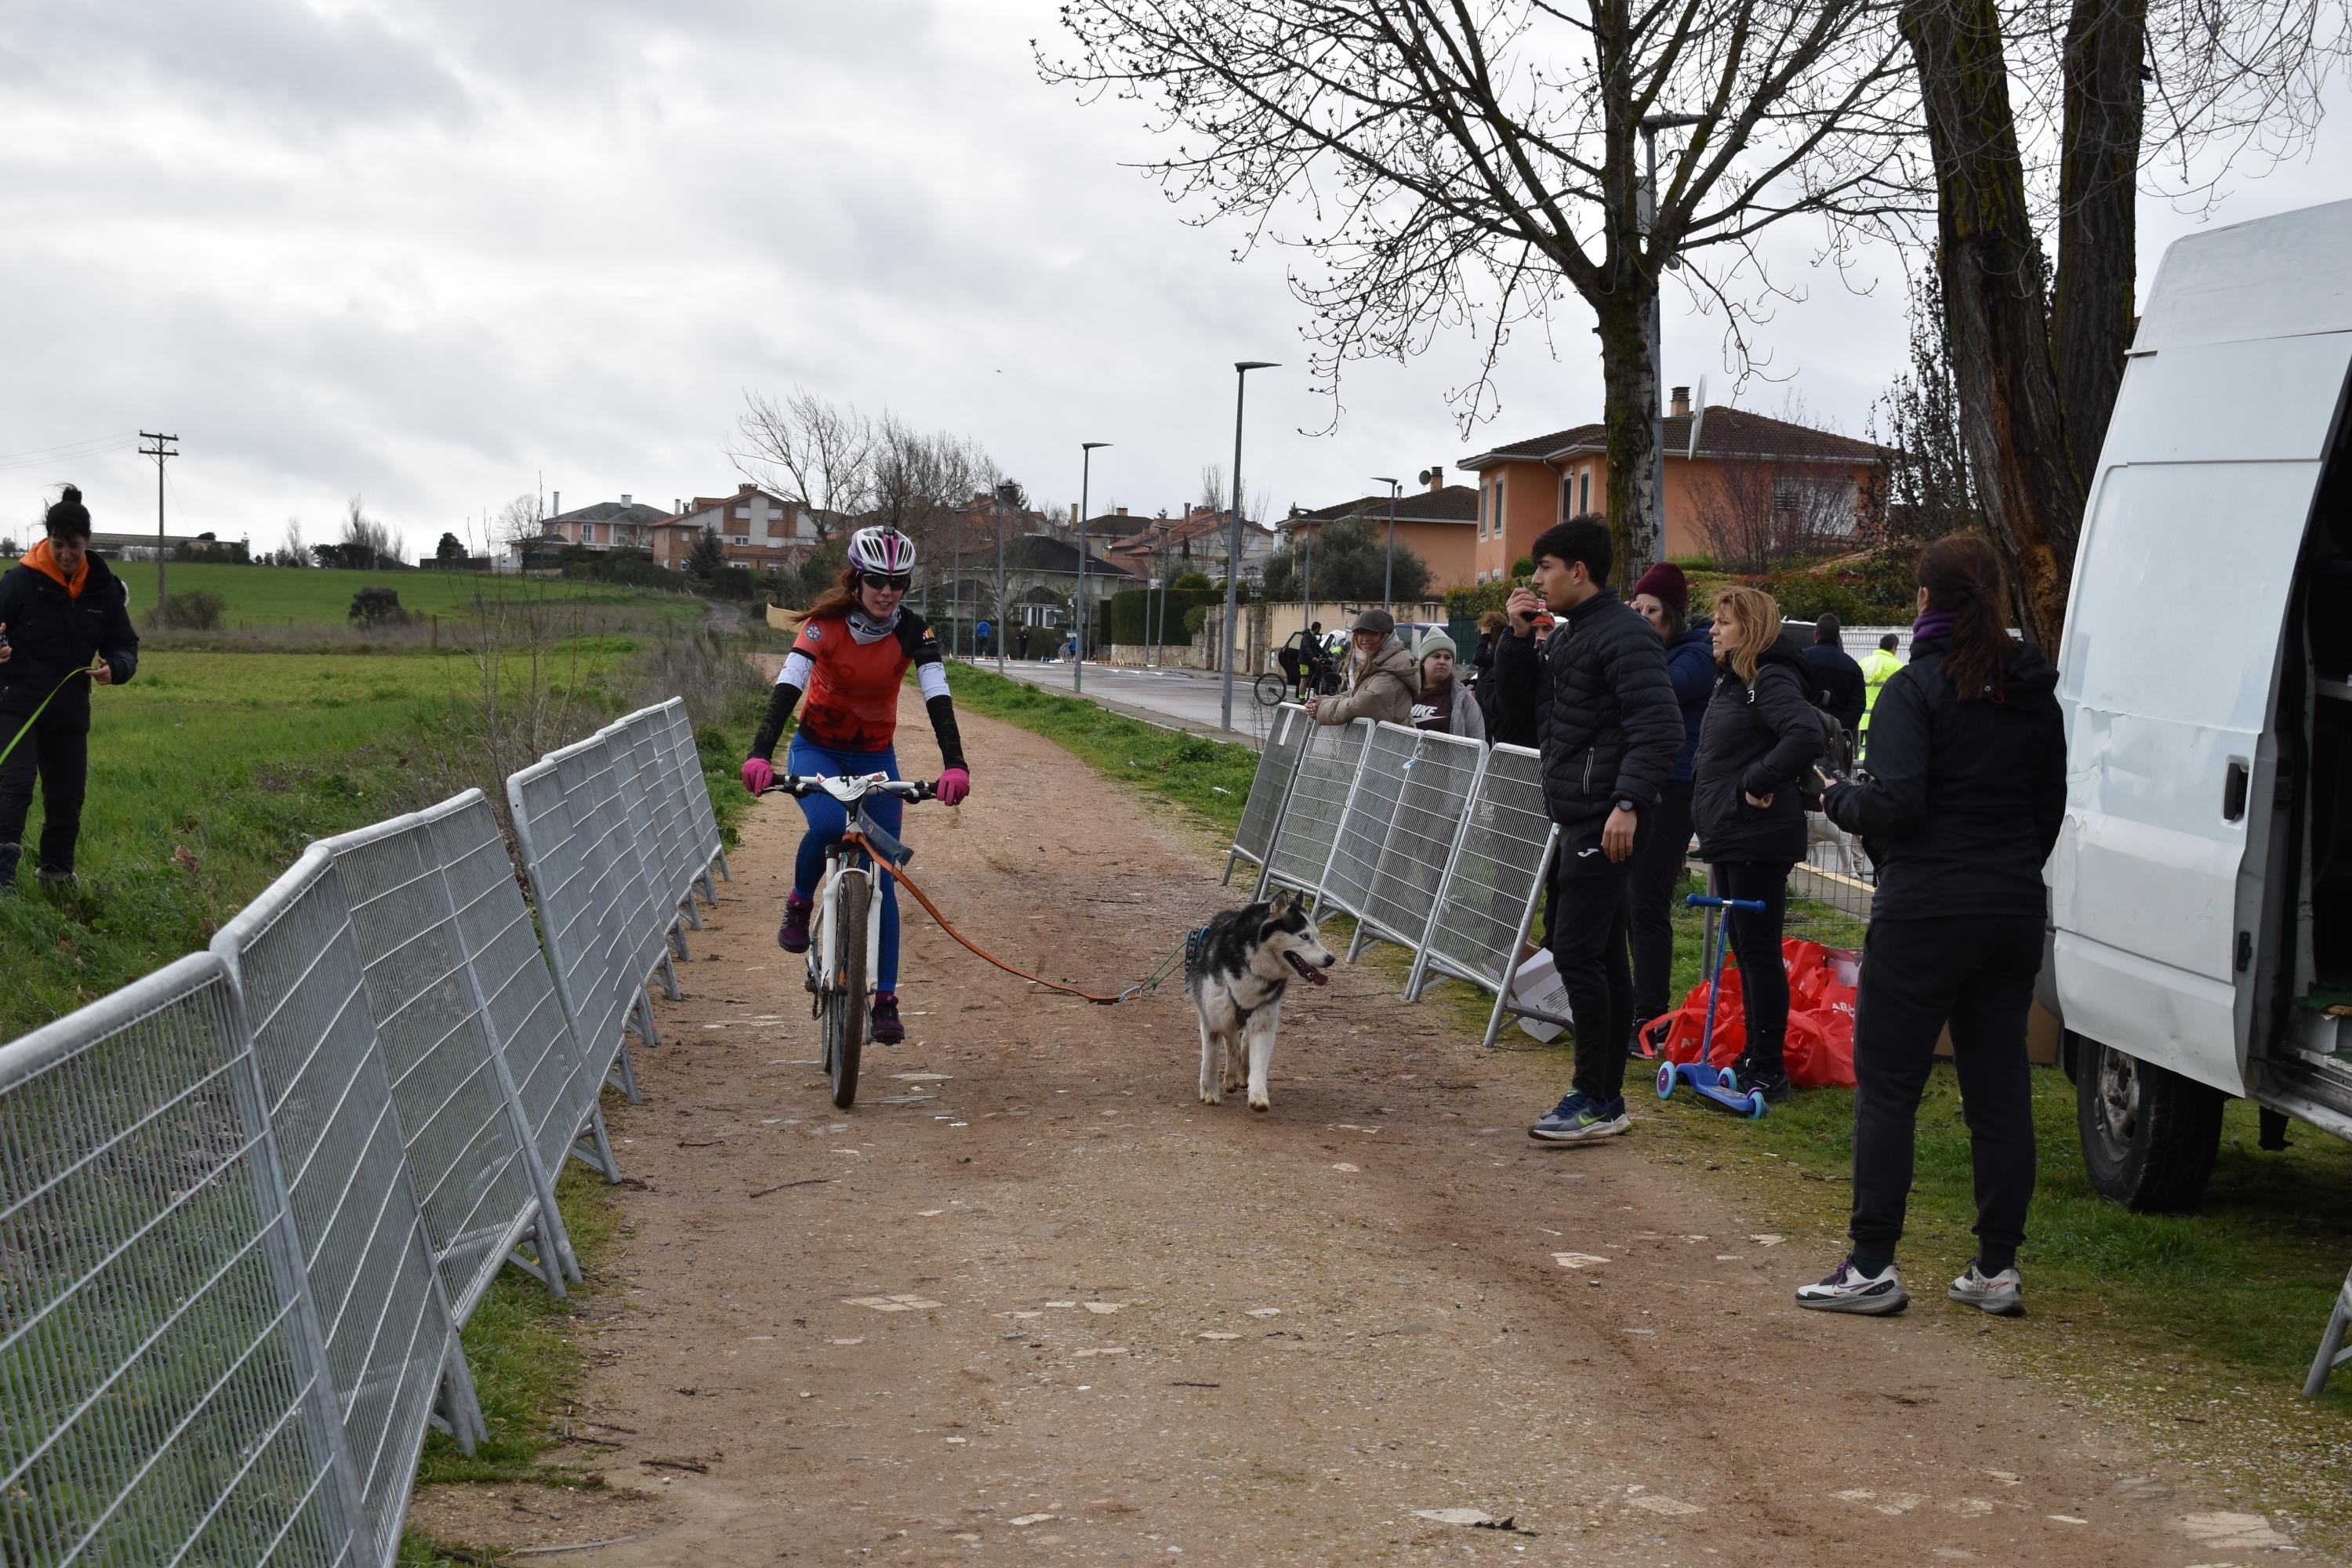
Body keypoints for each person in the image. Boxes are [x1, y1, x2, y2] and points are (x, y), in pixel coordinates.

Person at [1797, 535, 2065, 1318]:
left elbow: (1899, 799)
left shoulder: (1920, 687)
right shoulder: (2034, 692)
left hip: (1926, 907)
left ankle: (1874, 1260)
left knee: (1889, 1087)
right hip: (2012, 904)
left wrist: (1840, 797)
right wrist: (2009, 866)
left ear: (1923, 602)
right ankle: (1997, 1266)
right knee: (1998, 1087)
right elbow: (2050, 806)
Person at [1487, 517, 1682, 1144]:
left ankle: (1595, 1096)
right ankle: (1607, 1097)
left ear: (1578, 570)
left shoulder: (1625, 635)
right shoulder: (1571, 636)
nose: (1536, 581)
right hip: (1576, 814)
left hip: (1609, 819)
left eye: (1544, 568)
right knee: (1597, 954)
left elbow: (1660, 727)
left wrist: (1626, 802)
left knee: (1573, 950)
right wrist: (1517, 641)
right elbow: (1518, 716)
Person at [741, 526, 972, 1047]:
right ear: (857, 578)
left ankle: (885, 997)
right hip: (818, 749)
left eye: (898, 582)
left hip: (874, 757)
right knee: (827, 826)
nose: (887, 591)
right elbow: (787, 687)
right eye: (876, 580)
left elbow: (938, 697)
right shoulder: (824, 627)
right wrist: (759, 753)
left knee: (883, 874)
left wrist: (955, 763)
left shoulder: (915, 632)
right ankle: (801, 900)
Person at [1690, 586, 1823, 1102]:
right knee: (1747, 951)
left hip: (1756, 836)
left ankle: (1768, 1066)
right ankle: (1754, 1055)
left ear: (1751, 629)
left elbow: (1804, 736)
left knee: (1759, 952)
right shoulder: (1735, 682)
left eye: (1723, 623)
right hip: (1733, 833)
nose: (1713, 632)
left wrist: (1756, 781)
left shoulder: (1769, 679)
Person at [0, 486, 139, 891]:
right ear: (47, 539)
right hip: (17, 703)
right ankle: (2, 880)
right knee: (16, 785)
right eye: (58, 545)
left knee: (66, 798)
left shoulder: (103, 589)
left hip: (70, 707)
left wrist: (119, 667)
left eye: (73, 547)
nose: (65, 554)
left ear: (87, 543)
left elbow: (124, 643)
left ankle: (57, 878)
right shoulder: (20, 581)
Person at [1625, 562, 1712, 1049]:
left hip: (1675, 787)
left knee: (1648, 902)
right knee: (1626, 901)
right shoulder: (1664, 649)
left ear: (1673, 613)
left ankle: (1651, 1017)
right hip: (1642, 781)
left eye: (1651, 611)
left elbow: (1661, 690)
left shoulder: (1695, 654)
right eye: (1636, 609)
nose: (1642, 618)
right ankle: (1635, 1008)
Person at [1304, 608, 1419, 727]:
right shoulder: (1376, 661)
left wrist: (1320, 708)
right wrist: (1321, 700)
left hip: (1389, 743)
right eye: (1360, 633)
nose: (1365, 638)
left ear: (1387, 636)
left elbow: (1362, 704)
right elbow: (1355, 694)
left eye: (1373, 633)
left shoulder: (1392, 667)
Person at [1408, 629, 1484, 741]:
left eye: (1448, 657)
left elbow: (1477, 743)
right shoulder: (1406, 692)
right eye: (1436, 656)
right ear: (1423, 661)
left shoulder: (1465, 701)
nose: (1442, 661)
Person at [1802, 614, 1867, 742]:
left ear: (1816, 635)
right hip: (1837, 741)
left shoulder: (1802, 658)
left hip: (1805, 733)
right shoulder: (1853, 667)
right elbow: (1858, 705)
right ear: (1838, 637)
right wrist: (1839, 728)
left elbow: (1792, 694)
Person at [1858, 632, 1903, 753]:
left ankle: (1862, 771)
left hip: (1863, 718)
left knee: (1863, 749)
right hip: (1885, 719)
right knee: (1883, 751)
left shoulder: (1863, 663)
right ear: (1894, 647)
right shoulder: (1898, 666)